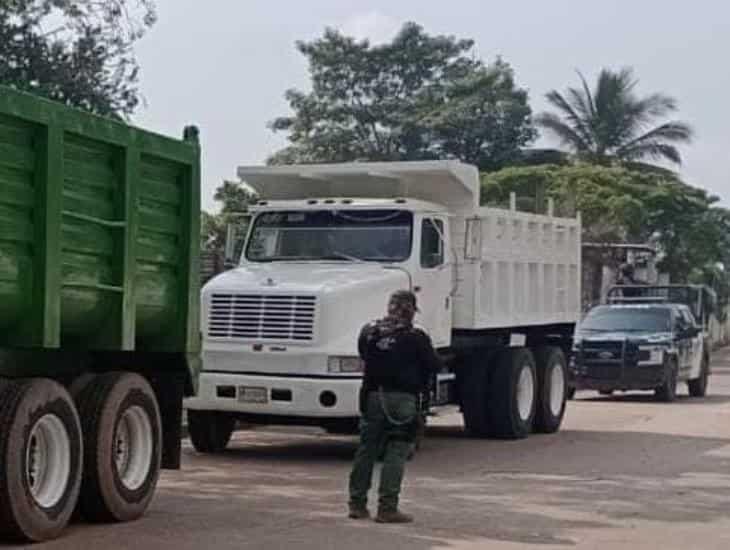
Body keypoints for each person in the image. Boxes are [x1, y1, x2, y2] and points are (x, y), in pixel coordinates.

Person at [348, 290, 441, 524]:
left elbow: (363, 355)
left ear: (389, 307)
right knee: (396, 451)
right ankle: (387, 508)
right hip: (403, 400)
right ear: (411, 310)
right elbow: (433, 365)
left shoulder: (370, 332)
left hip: (373, 397)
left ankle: (357, 505)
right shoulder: (416, 336)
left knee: (366, 450)